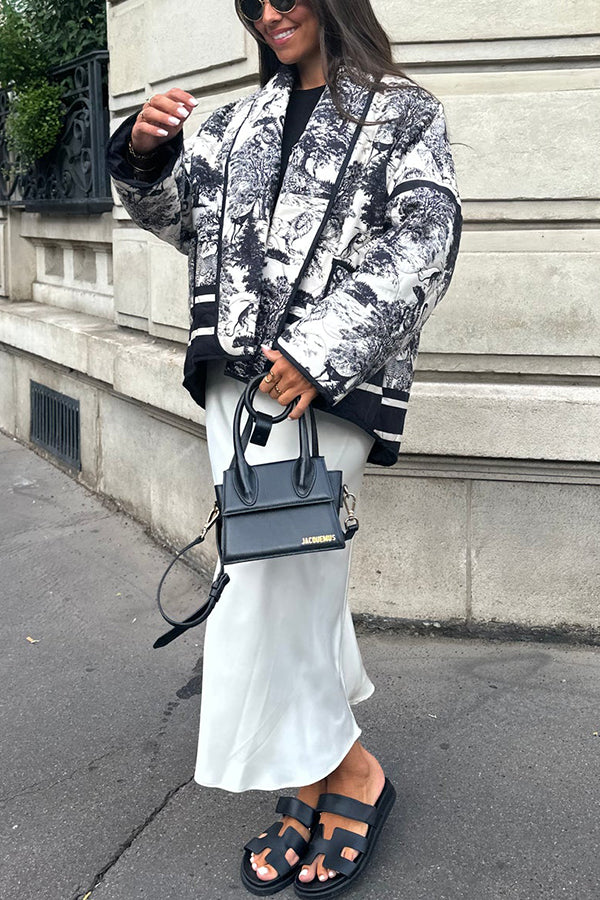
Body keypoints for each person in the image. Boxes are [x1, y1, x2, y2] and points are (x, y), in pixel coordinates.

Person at [106, 0, 461, 895]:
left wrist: (319, 349)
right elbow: (186, 225)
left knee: (270, 580)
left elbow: (426, 241)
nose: (270, 12)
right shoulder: (238, 122)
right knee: (291, 576)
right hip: (236, 385)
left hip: (324, 387)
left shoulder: (401, 111)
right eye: (253, 0)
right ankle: (318, 774)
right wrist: (143, 157)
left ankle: (349, 773)